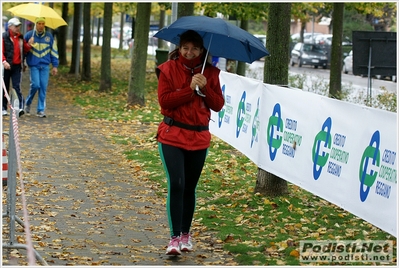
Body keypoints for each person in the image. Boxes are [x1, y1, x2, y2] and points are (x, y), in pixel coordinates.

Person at [155, 30, 225, 255]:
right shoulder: (168, 69)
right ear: (179, 47)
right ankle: (174, 238)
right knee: (177, 184)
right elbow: (165, 103)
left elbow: (217, 105)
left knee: (189, 188)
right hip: (172, 135)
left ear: (202, 50)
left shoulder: (211, 73)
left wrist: (204, 87)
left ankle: (186, 234)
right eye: (185, 47)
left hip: (199, 138)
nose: (189, 52)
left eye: (194, 48)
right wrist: (189, 89)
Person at [24, 17, 59, 118]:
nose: (41, 25)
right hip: (34, 65)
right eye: (39, 23)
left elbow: (54, 52)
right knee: (35, 85)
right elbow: (24, 51)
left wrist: (55, 66)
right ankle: (28, 102)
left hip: (45, 66)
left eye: (42, 23)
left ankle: (40, 110)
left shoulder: (49, 37)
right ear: (36, 24)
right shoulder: (29, 35)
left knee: (43, 87)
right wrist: (29, 44)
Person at [2, 17, 33, 116]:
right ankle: (3, 107)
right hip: (7, 66)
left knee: (16, 86)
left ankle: (20, 107)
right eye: (16, 26)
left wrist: (29, 45)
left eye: (19, 26)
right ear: (10, 27)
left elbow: (24, 50)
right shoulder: (4, 37)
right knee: (5, 87)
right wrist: (4, 61)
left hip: (17, 66)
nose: (18, 28)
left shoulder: (20, 38)